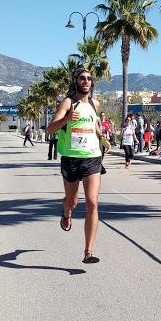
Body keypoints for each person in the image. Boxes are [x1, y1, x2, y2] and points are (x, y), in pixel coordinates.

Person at [46, 68, 110, 264]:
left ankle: (88, 251)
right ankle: (66, 212)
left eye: (89, 79)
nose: (86, 81)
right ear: (76, 81)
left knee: (92, 202)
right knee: (73, 201)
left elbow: (94, 124)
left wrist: (102, 138)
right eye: (82, 78)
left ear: (92, 83)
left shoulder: (94, 103)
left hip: (92, 158)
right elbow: (49, 129)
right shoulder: (67, 102)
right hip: (71, 159)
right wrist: (66, 119)